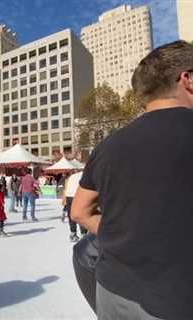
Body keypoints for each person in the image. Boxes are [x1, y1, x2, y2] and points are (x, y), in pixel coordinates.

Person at [72, 41, 193, 320]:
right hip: (174, 300)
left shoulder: (109, 144)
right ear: (187, 78)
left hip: (112, 291)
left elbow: (79, 211)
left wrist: (126, 235)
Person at [63, 170, 86, 242]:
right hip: (78, 195)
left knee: (72, 215)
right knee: (81, 215)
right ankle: (83, 234)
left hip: (69, 196)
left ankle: (73, 233)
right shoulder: (85, 175)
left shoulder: (72, 176)